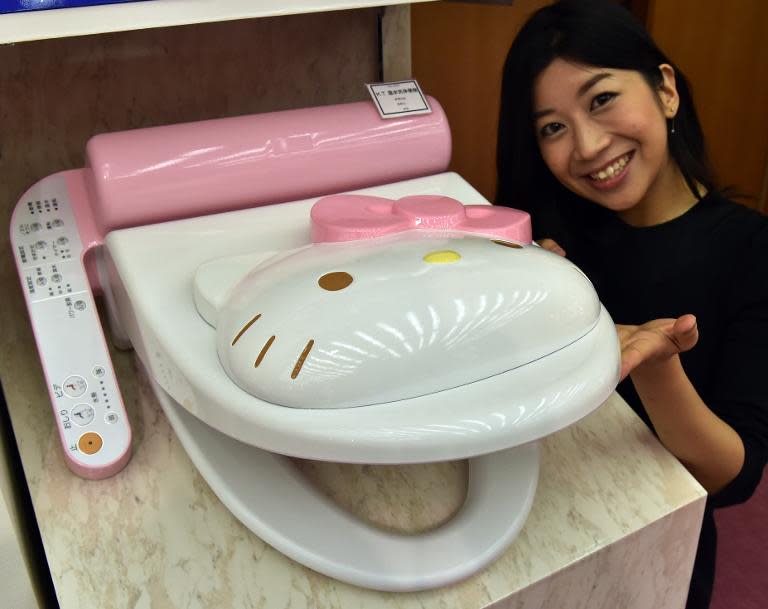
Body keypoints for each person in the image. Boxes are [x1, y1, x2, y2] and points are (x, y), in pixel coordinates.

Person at [496, 1, 768, 607]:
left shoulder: (749, 249)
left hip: (653, 553)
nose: (588, 146)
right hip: (530, 518)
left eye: (601, 100)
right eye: (552, 127)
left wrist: (655, 365)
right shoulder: (546, 231)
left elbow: (734, 474)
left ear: (666, 90)